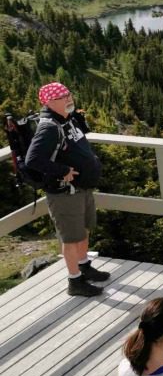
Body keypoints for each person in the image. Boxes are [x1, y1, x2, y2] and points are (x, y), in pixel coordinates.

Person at [24, 82, 109, 297]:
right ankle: (75, 282)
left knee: (83, 230)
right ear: (49, 102)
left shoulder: (66, 118)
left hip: (81, 187)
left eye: (69, 94)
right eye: (62, 97)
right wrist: (62, 171)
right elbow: (32, 159)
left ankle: (84, 266)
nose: (68, 99)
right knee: (71, 238)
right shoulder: (49, 127)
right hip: (65, 192)